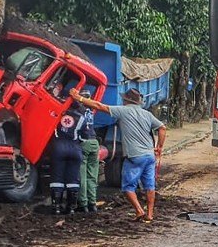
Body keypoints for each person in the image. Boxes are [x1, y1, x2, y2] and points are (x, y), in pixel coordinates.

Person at [70, 88, 166, 222]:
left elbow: (99, 106)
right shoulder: (147, 114)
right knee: (150, 186)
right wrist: (159, 147)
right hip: (149, 156)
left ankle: (139, 211)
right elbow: (162, 128)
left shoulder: (122, 111)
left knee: (127, 187)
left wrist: (78, 98)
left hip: (134, 156)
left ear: (125, 100)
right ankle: (149, 214)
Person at [48, 104, 89, 215]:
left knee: (57, 178)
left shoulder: (57, 112)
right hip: (75, 150)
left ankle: (56, 207)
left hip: (58, 149)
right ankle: (71, 208)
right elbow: (84, 137)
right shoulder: (81, 118)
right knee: (73, 179)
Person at [76, 106, 100, 213]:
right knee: (92, 175)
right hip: (94, 142)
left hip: (84, 142)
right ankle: (93, 203)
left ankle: (83, 204)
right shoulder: (89, 111)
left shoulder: (77, 111)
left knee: (82, 176)